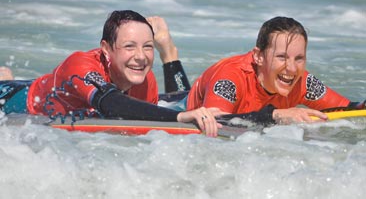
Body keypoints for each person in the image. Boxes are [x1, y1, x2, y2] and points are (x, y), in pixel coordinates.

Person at [0, 10, 222, 137]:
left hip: (90, 105)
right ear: (106, 49)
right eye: (129, 46)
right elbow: (111, 104)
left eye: (147, 46)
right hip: (17, 101)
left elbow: (151, 119)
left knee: (177, 102)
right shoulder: (81, 66)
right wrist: (179, 117)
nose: (141, 57)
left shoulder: (144, 79)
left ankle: (169, 52)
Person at [186, 16, 365, 125]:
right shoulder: (230, 77)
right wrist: (277, 115)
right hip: (181, 106)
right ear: (258, 56)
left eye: (299, 58)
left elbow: (348, 109)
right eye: (282, 57)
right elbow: (214, 119)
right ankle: (170, 53)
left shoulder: (302, 81)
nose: (292, 69)